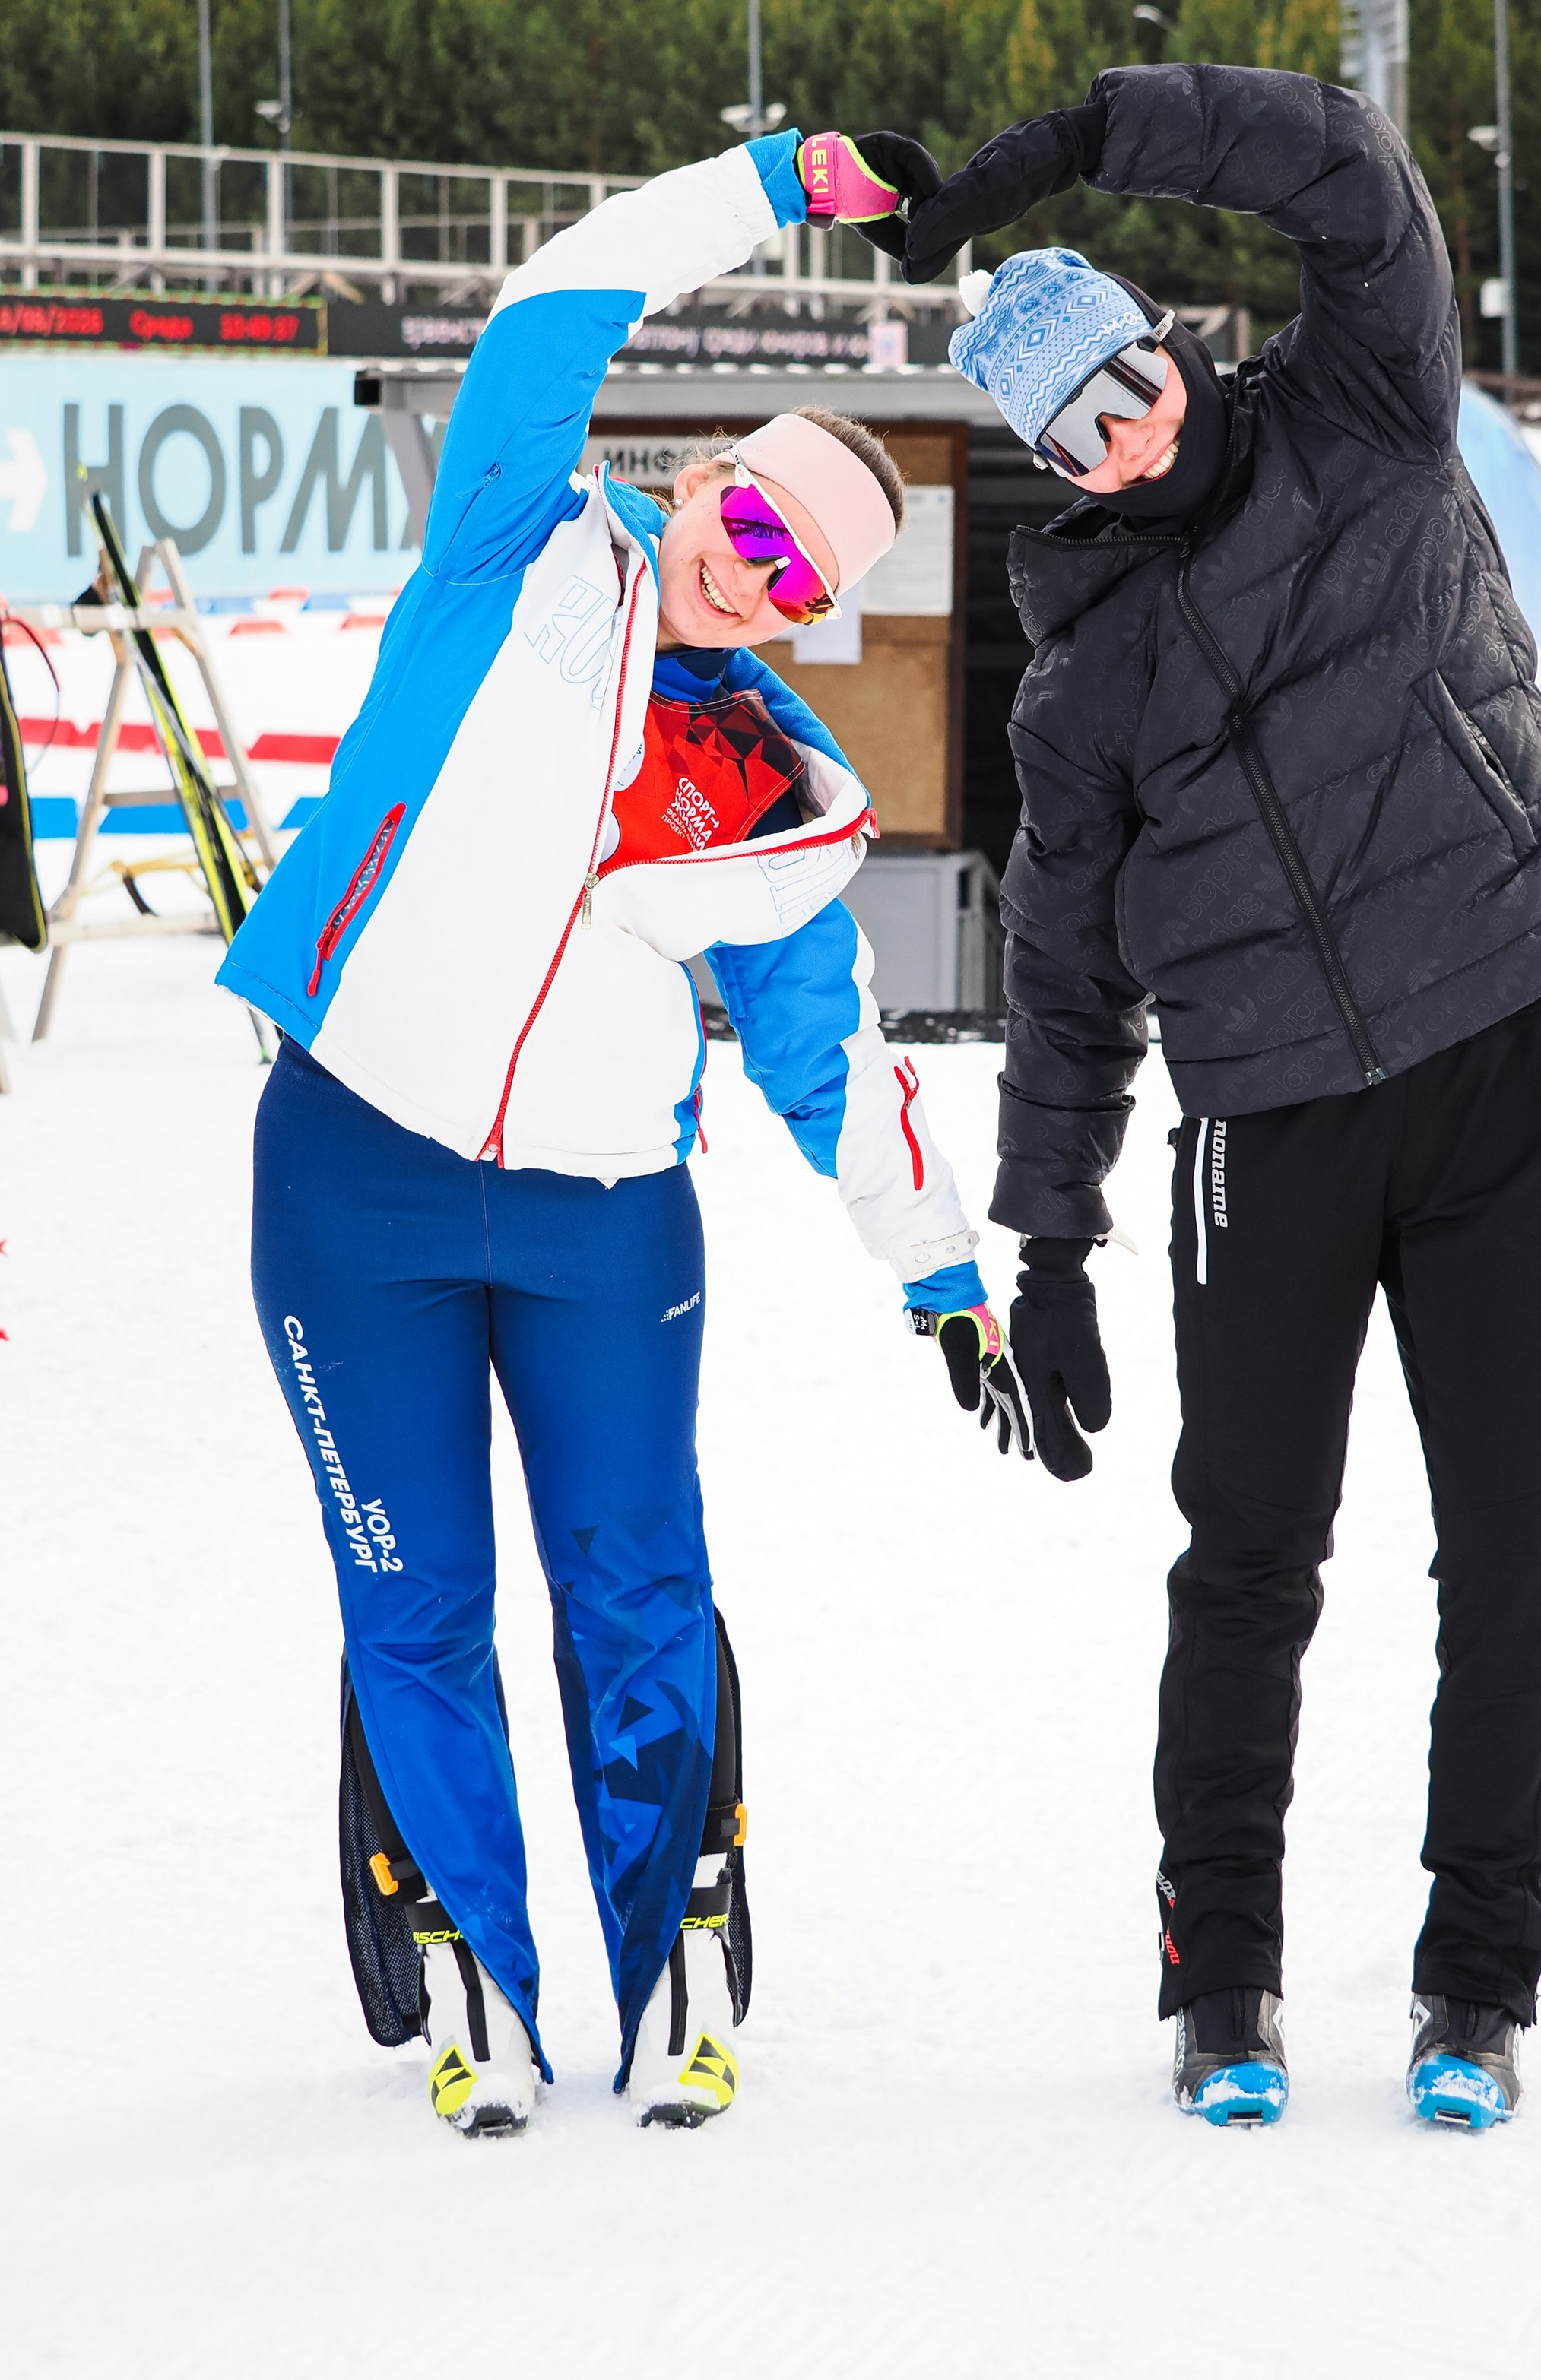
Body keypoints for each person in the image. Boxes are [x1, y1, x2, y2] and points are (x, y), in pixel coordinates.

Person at [220, 126, 1028, 2138]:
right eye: (749, 524)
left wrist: (936, 1270)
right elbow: (569, 281)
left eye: (799, 582)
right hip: (355, 1177)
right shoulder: (514, 531)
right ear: (699, 481)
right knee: (413, 1597)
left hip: (602, 1229)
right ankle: (479, 1975)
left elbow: (828, 1056)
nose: (753, 577)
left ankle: (670, 1958)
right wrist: (785, 178)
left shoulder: (774, 785)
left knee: (634, 1591)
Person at [902, 63, 1541, 2132]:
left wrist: (1082, 138)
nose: (1120, 437)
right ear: (1053, 464)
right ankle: (1224, 1985)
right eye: (1073, 435)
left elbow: (1348, 174)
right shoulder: (1085, 674)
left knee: (1520, 1547)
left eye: (1122, 384)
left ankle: (1476, 1987)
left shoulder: (1366, 403)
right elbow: (1061, 977)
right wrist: (1051, 1245)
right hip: (1272, 1135)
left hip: (1496, 1055)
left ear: (1160, 344)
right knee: (1248, 1560)